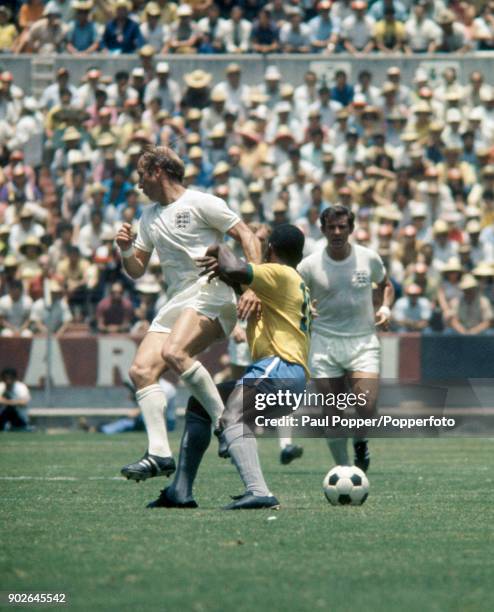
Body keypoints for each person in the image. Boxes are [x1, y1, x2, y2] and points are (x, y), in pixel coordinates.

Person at [116, 145, 260, 482]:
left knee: (174, 352)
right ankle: (159, 455)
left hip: (212, 291)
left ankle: (227, 425)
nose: (138, 184)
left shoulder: (201, 202)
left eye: (141, 175)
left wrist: (253, 285)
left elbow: (246, 234)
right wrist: (124, 249)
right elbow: (137, 269)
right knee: (140, 371)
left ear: (158, 171)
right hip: (177, 300)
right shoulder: (148, 216)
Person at [147, 224, 310, 510]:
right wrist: (229, 276)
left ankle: (259, 491)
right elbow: (239, 281)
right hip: (286, 374)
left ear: (270, 249)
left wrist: (218, 248)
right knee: (200, 406)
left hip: (278, 367)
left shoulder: (278, 273)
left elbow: (236, 269)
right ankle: (180, 492)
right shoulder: (292, 279)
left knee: (232, 417)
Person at [298, 205, 393, 472]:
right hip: (324, 343)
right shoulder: (309, 265)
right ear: (323, 229)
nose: (337, 232)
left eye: (342, 227)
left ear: (351, 229)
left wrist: (385, 308)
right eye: (332, 227)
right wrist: (305, 308)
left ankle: (361, 442)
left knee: (367, 405)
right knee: (333, 410)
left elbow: (385, 284)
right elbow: (294, 296)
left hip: (362, 341)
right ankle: (344, 469)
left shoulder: (368, 258)